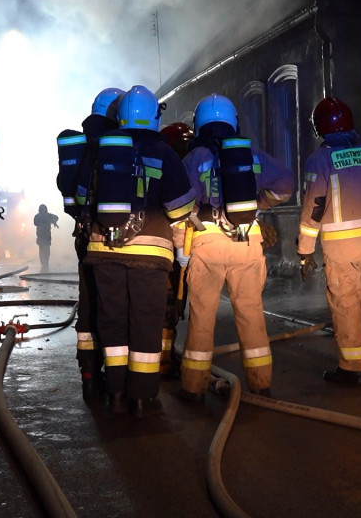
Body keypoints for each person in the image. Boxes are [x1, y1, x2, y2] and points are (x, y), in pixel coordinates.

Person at [80, 85, 196, 418]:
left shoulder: (101, 150)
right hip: (151, 254)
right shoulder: (165, 154)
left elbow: (82, 197)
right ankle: (142, 399)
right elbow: (180, 210)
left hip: (103, 249)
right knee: (145, 323)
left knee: (112, 321)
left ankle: (115, 394)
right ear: (153, 117)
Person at [175, 94, 294, 402]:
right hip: (247, 240)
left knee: (202, 318)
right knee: (252, 315)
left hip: (206, 241)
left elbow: (179, 208)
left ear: (199, 124)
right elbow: (286, 185)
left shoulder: (193, 159)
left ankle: (193, 388)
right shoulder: (251, 154)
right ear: (233, 121)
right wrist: (261, 203)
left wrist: (180, 251)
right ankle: (261, 384)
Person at [297, 96, 361, 385]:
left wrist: (304, 251)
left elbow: (314, 208)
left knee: (346, 306)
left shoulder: (320, 159)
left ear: (320, 128)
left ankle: (354, 369)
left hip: (340, 249)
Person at [60, 86, 123, 401]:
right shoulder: (110, 145)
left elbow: (71, 189)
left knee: (88, 303)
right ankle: (116, 381)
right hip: (107, 236)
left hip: (82, 234)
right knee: (112, 306)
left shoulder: (82, 144)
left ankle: (88, 374)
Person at [157, 121, 195, 378]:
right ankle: (163, 360)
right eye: (182, 145)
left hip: (177, 251)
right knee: (168, 305)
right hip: (169, 251)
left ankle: (165, 356)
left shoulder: (173, 168)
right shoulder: (171, 171)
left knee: (174, 305)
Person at [32, 204, 59, 272]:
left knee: (46, 250)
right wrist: (47, 221)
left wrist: (53, 222)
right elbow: (35, 223)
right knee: (43, 249)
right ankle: (44, 263)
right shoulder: (38, 216)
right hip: (41, 235)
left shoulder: (47, 215)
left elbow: (56, 217)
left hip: (46, 236)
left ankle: (45, 262)